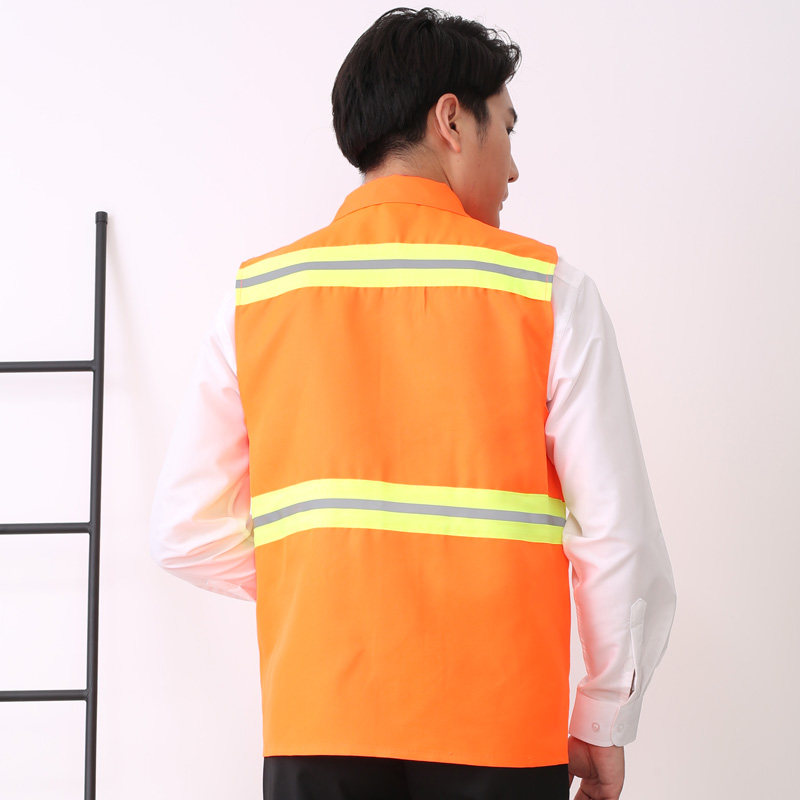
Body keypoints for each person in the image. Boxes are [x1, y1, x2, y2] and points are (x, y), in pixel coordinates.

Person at [150, 7, 677, 800]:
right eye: (507, 129)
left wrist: (333, 581)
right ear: (451, 121)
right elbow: (618, 535)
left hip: (318, 724)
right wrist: (604, 718)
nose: (514, 169)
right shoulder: (549, 293)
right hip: (501, 729)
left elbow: (184, 530)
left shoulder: (257, 299)